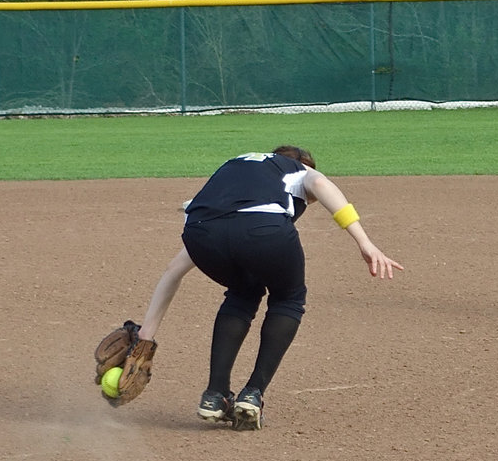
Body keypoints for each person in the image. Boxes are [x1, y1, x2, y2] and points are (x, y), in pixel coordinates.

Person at [133, 146, 403, 430]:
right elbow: (321, 183)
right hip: (264, 228)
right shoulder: (294, 168)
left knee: (242, 293)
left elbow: (173, 271)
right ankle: (253, 393)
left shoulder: (241, 174)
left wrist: (145, 336)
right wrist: (365, 242)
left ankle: (215, 395)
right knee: (288, 299)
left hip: (201, 232)